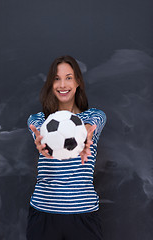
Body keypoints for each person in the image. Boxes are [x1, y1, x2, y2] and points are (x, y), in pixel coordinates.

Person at [26, 55, 106, 240]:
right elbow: (39, 135)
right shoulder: (38, 120)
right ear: (50, 84)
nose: (62, 84)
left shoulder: (94, 117)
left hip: (84, 216)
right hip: (44, 214)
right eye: (56, 78)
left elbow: (92, 124)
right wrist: (41, 143)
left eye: (68, 77)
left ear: (78, 82)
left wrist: (84, 134)